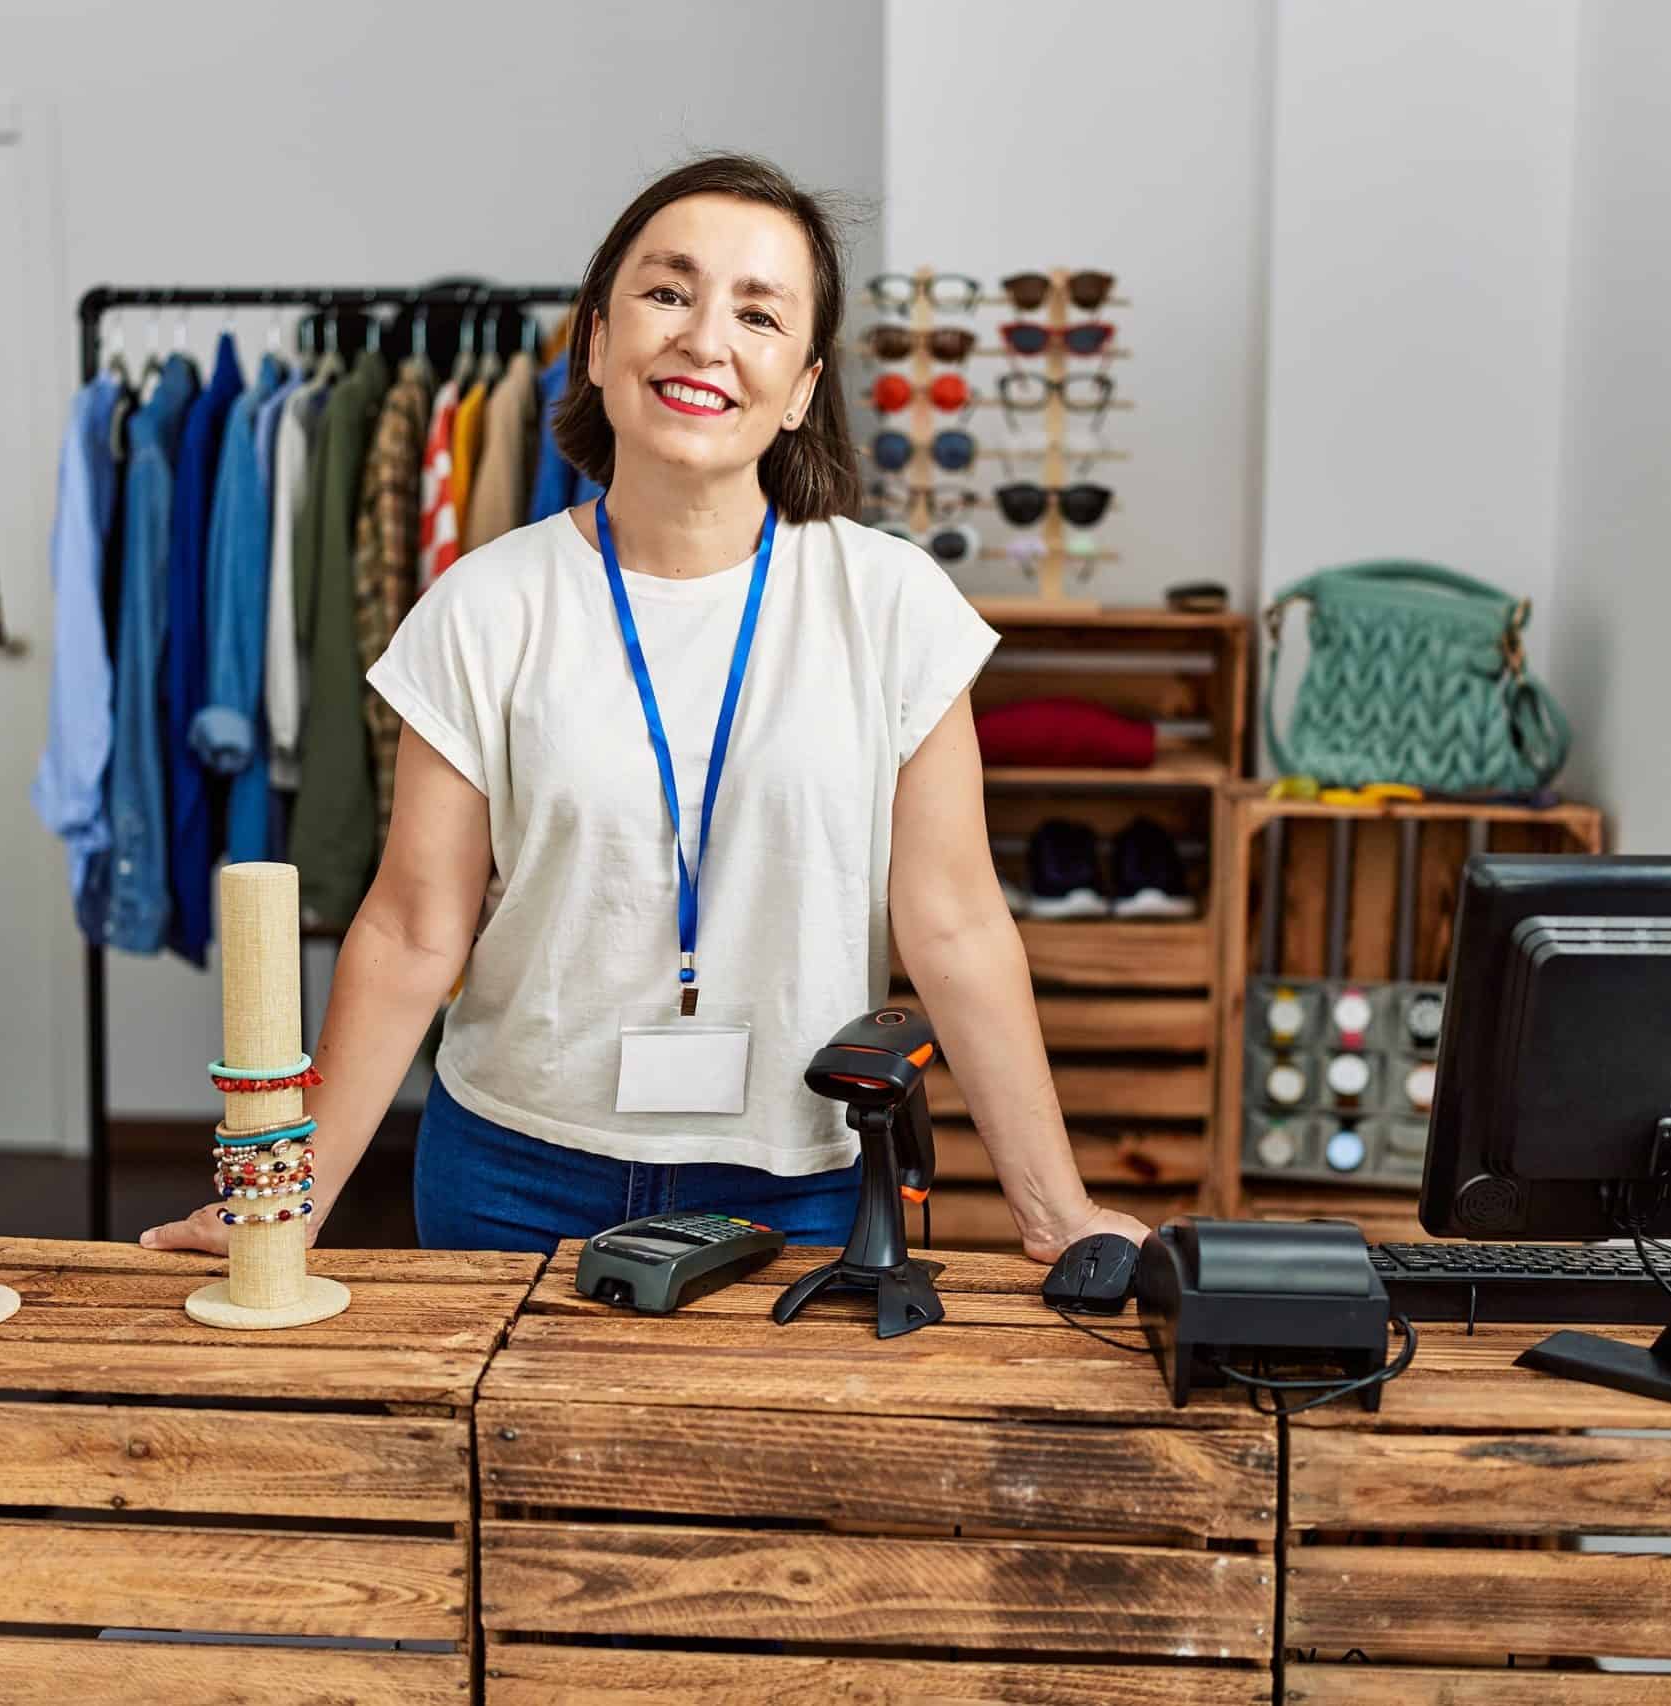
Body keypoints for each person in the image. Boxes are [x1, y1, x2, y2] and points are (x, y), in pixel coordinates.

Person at [144, 153, 1149, 1261]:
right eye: (668, 292)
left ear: (804, 385)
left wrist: (1053, 1208)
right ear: (595, 337)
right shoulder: (487, 603)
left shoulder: (891, 602)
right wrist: (281, 1203)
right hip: (511, 1173)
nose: (704, 339)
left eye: (758, 314)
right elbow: (411, 925)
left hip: (794, 1179)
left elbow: (953, 921)